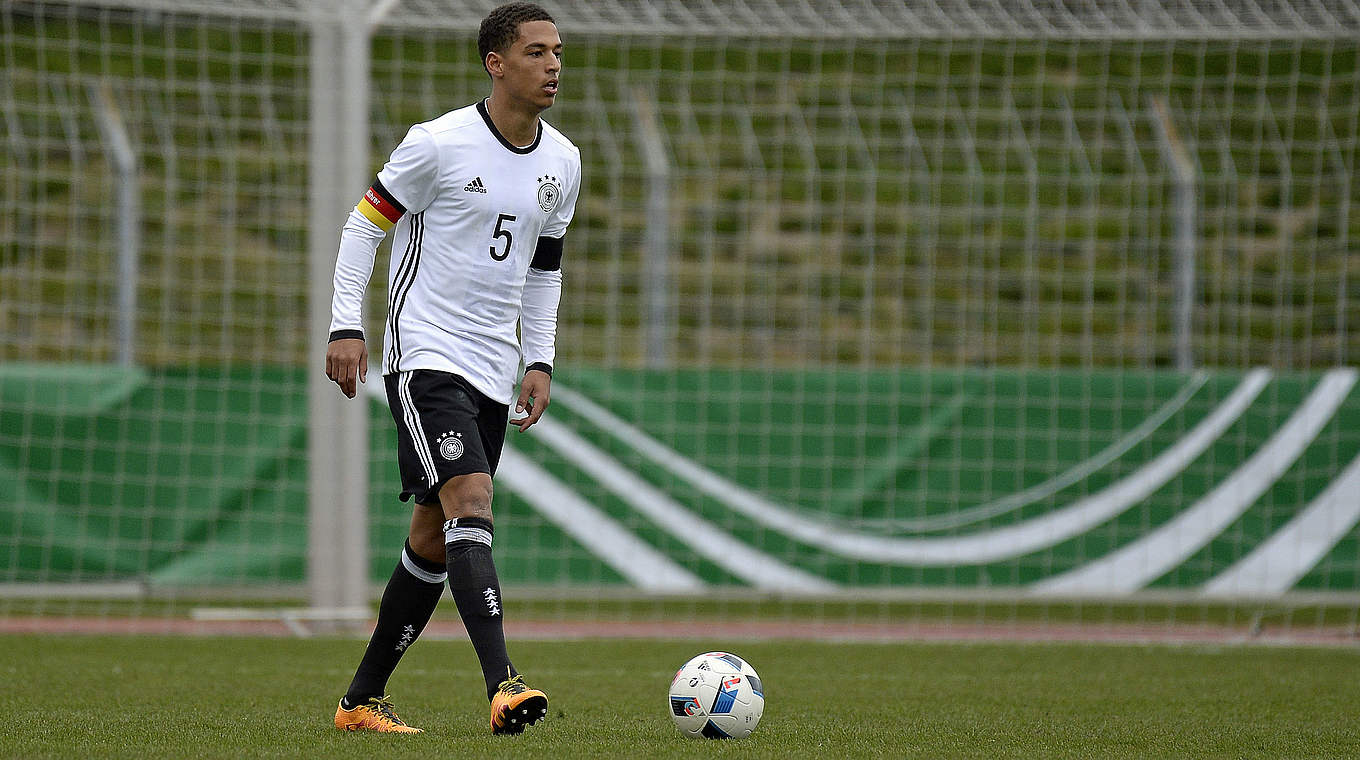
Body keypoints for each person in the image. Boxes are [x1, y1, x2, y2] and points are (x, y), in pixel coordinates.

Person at [323, 2, 579, 735]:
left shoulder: (564, 161)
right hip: (426, 352)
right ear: (495, 64)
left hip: (495, 367)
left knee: (435, 536)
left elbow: (544, 271)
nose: (553, 64)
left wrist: (540, 358)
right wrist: (347, 324)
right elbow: (364, 224)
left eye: (557, 51)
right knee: (472, 497)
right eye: (536, 52)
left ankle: (360, 701)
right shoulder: (437, 144)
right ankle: (503, 685)